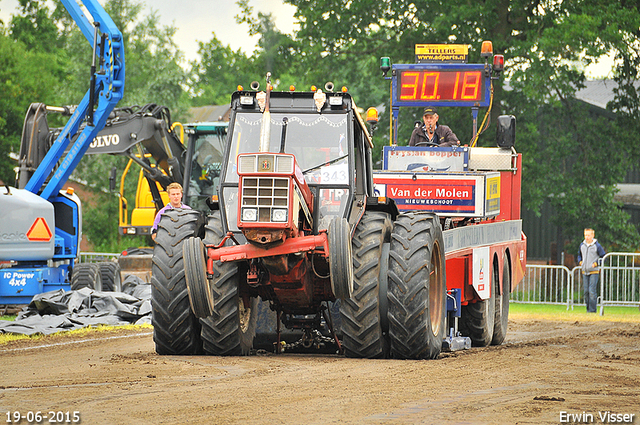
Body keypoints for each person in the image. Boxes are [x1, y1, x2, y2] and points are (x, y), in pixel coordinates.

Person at [576, 228, 606, 313]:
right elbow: (579, 255)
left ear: (593, 235)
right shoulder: (582, 245)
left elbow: (603, 257)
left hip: (594, 271)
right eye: (585, 235)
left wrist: (596, 263)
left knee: (592, 291)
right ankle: (588, 309)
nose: (587, 237)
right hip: (585, 271)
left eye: (588, 235)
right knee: (586, 292)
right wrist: (580, 261)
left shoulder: (597, 246)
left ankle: (592, 310)